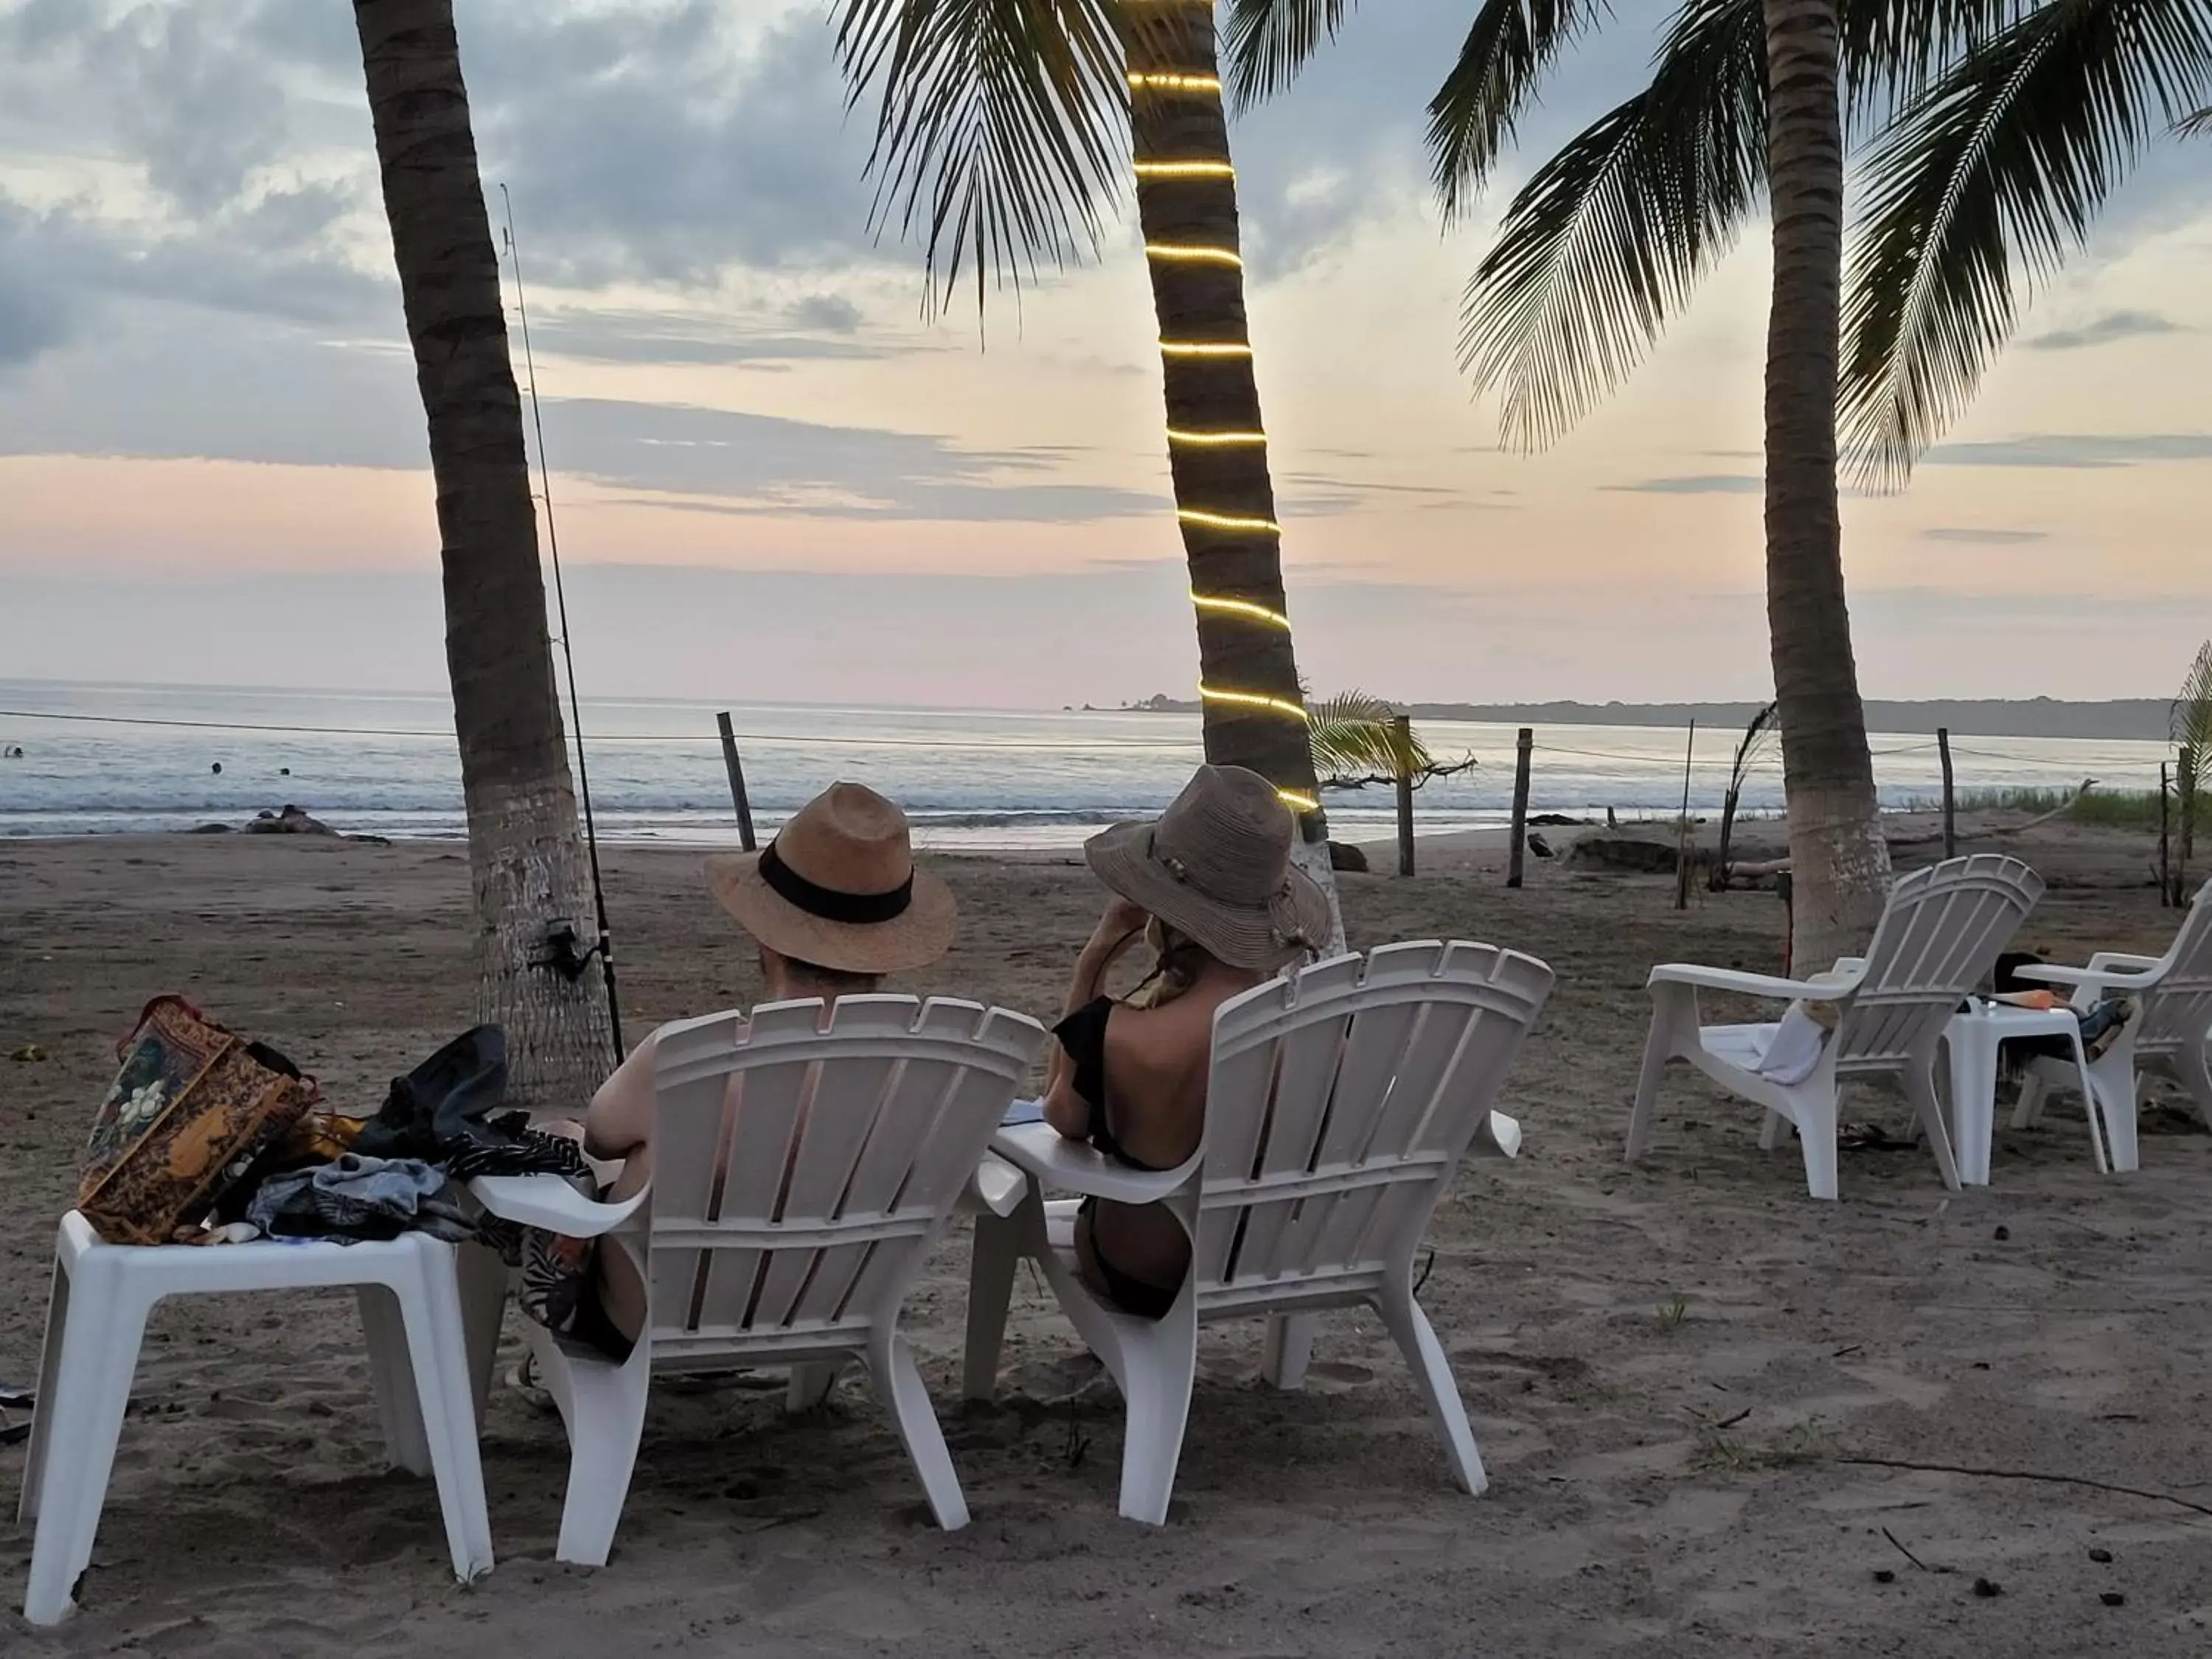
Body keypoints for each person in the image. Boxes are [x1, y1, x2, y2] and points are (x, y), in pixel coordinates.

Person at [547, 781, 957, 1354]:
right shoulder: (934, 1076)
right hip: (822, 1312)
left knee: (565, 1153)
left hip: (652, 1319)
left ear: (766, 939)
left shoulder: (685, 1058)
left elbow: (601, 1135)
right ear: (886, 952)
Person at [1040, 765, 1331, 1318]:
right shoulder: (1314, 1034)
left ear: (1163, 912)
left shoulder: (1121, 1034)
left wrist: (1094, 960)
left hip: (1140, 1273)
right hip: (1264, 1265)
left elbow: (1063, 1120)